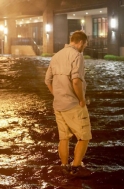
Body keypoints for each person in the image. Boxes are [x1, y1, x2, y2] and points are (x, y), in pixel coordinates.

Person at [45, 30, 92, 178]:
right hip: (73, 104)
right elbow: (76, 81)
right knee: (84, 136)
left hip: (58, 104)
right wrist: (82, 99)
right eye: (84, 45)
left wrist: (56, 94)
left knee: (63, 138)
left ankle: (64, 166)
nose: (84, 47)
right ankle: (76, 167)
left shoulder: (56, 55)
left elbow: (47, 80)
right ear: (80, 42)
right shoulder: (77, 55)